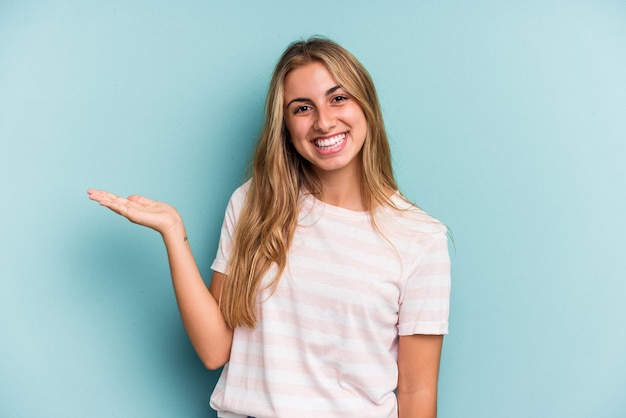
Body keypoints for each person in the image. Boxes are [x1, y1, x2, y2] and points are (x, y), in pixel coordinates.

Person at [88, 37, 451, 418]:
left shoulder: (420, 238)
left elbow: (417, 390)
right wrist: (173, 232)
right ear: (286, 126)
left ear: (366, 105)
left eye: (338, 98)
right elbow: (215, 351)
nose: (324, 121)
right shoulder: (253, 204)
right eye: (302, 108)